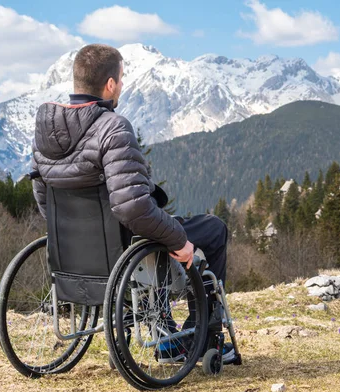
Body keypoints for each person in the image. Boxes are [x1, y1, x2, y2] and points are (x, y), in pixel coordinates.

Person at [30, 43, 233, 363]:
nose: (121, 86)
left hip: (74, 253)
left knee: (151, 234)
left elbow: (43, 191)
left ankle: (166, 331)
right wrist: (179, 240)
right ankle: (199, 334)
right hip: (125, 245)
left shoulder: (46, 126)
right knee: (212, 229)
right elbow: (131, 206)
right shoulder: (112, 127)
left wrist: (71, 232)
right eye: (121, 80)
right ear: (110, 84)